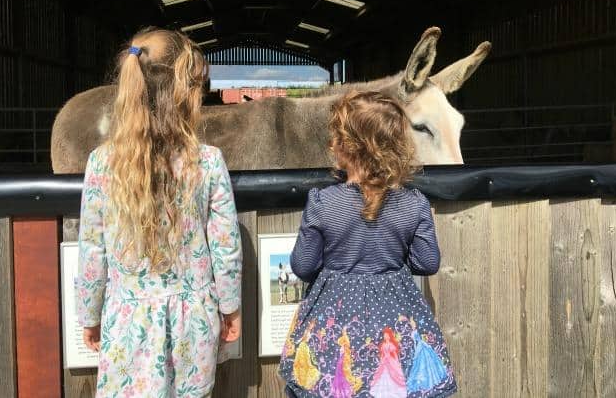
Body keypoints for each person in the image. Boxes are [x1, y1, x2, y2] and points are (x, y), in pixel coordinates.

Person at [75, 27, 242, 398]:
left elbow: (92, 249)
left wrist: (89, 314)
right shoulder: (209, 163)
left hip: (127, 321)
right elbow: (225, 247)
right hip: (193, 322)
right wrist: (230, 307)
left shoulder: (102, 164)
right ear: (186, 92)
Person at [279, 90, 456, 398]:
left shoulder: (323, 203)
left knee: (333, 386)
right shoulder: (414, 205)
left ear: (351, 147)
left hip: (334, 322)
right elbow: (428, 263)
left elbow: (303, 266)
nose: (331, 144)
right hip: (395, 324)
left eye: (336, 137)